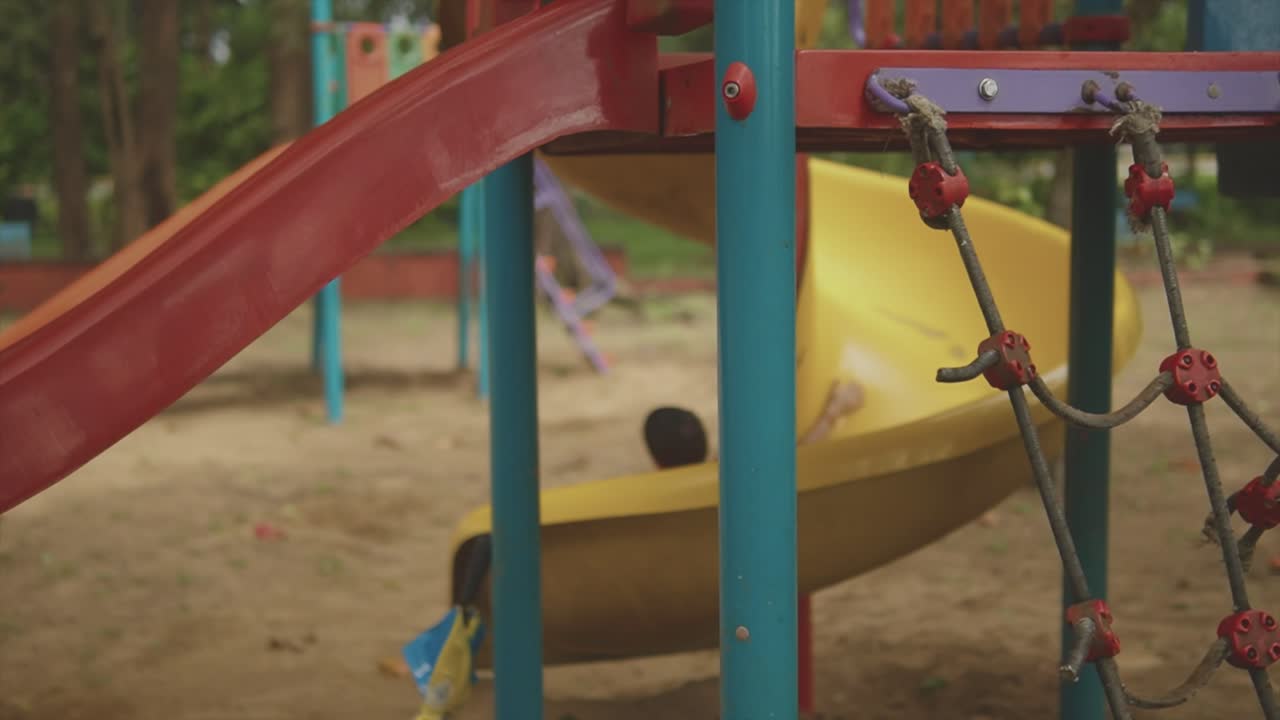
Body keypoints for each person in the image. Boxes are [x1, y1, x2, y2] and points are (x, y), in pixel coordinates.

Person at [642, 380, 865, 470]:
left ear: (656, 461)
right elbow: (797, 456)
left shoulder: (649, 496)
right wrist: (834, 410)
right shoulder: (728, 474)